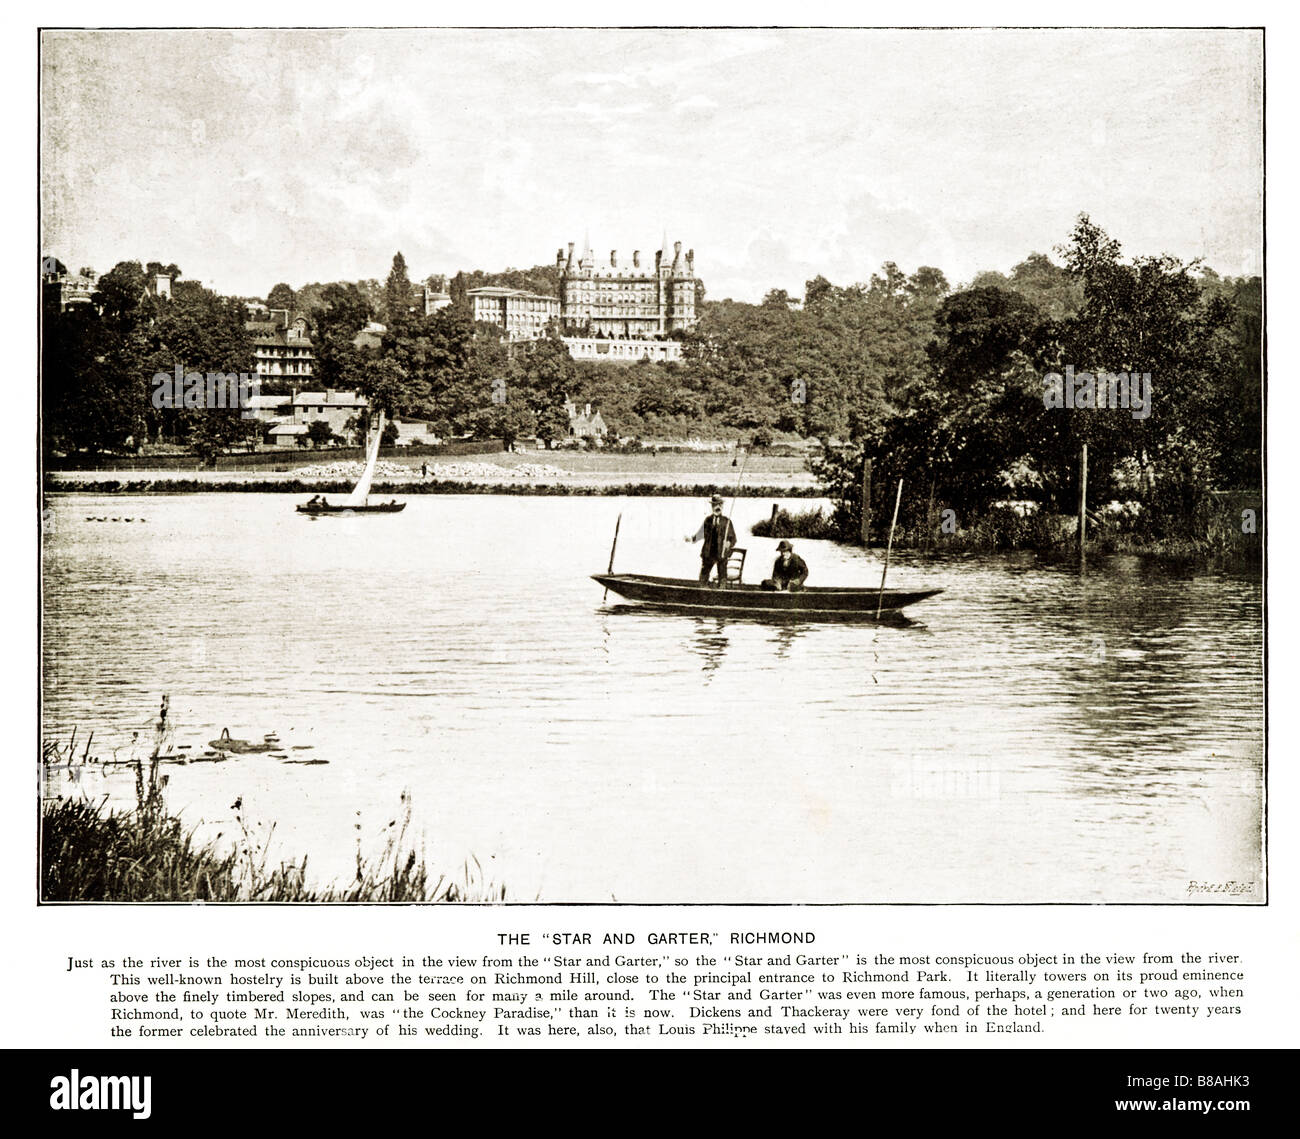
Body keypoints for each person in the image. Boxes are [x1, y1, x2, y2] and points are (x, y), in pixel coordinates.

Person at [685, 494, 737, 587]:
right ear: (712, 506)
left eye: (719, 504)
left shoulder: (727, 521)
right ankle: (703, 590)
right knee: (704, 574)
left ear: (722, 506)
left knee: (722, 574)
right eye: (715, 505)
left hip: (721, 553)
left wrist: (729, 543)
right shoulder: (708, 520)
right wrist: (692, 539)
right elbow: (701, 534)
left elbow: (733, 538)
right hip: (709, 552)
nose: (717, 507)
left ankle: (722, 591)